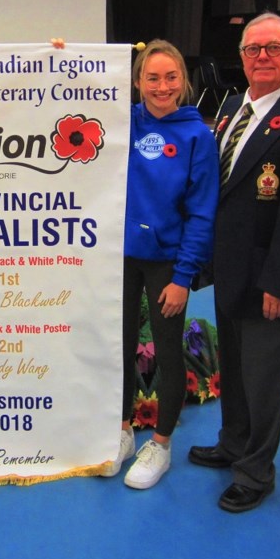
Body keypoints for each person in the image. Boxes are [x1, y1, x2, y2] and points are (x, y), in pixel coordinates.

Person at [186, 13, 280, 513]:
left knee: (267, 382)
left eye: (274, 48)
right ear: (241, 57)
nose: (262, 57)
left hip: (272, 278)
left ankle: (256, 471)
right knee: (237, 372)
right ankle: (232, 443)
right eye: (253, 49)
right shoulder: (230, 109)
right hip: (231, 272)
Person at [101, 39, 219, 489]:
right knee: (120, 346)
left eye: (171, 77)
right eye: (152, 77)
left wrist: (184, 277)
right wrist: (61, 56)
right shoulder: (121, 122)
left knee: (168, 354)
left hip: (167, 263)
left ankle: (162, 444)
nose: (162, 86)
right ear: (136, 82)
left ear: (182, 82)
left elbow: (202, 211)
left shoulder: (197, 136)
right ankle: (124, 432)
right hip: (120, 259)